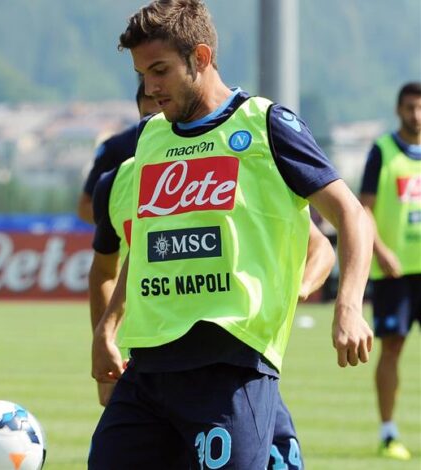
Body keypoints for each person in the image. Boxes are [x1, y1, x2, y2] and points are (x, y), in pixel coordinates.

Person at [89, 1, 374, 468]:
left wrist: (348, 306)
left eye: (159, 70)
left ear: (200, 57)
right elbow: (147, 245)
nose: (150, 87)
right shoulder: (151, 139)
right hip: (148, 371)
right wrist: (108, 327)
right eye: (143, 74)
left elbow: (352, 216)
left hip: (231, 367)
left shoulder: (265, 126)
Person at [90, 156, 335, 470]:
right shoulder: (115, 183)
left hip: (229, 366)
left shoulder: (227, 161)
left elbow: (320, 247)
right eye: (148, 104)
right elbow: (116, 267)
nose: (158, 109)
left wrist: (298, 289)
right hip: (151, 365)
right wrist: (105, 333)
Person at [359, 81, 421, 461]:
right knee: (392, 349)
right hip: (394, 275)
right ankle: (388, 433)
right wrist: (380, 250)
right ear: (399, 109)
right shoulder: (382, 151)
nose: (416, 115)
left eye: (420, 108)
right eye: (410, 107)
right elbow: (363, 207)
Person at [78, 82, 161, 223]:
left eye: (162, 117)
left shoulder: (194, 143)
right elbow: (85, 208)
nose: (155, 124)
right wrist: (126, 217)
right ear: (139, 112)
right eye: (148, 117)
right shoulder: (115, 147)